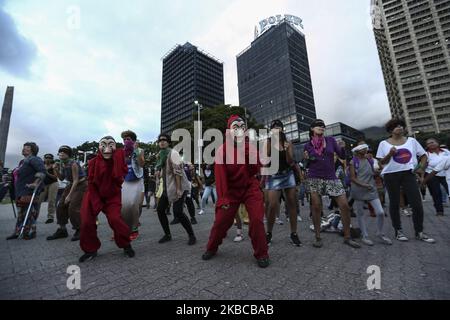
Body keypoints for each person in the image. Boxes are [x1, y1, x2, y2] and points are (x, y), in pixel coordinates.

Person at [202, 115, 270, 268]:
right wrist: (223, 199)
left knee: (257, 220)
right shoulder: (222, 150)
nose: (239, 129)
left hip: (249, 187)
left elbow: (255, 170)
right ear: (229, 131)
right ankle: (211, 247)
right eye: (235, 127)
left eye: (242, 127)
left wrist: (247, 152)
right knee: (221, 222)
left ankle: (262, 253)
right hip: (230, 190)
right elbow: (220, 177)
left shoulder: (250, 146)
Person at [376, 118, 435, 243]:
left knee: (417, 204)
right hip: (391, 175)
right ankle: (398, 231)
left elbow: (424, 156)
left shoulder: (412, 141)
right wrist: (390, 154)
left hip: (409, 174)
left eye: (401, 125)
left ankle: (419, 232)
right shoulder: (383, 144)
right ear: (391, 129)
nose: (400, 127)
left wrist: (420, 168)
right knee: (394, 203)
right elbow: (381, 162)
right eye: (397, 126)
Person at [304, 119, 361, 249]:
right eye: (318, 125)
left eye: (323, 125)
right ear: (312, 129)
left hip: (331, 177)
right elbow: (306, 163)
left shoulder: (330, 141)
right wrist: (306, 158)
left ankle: (347, 237)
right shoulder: (308, 145)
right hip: (314, 177)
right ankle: (318, 237)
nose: (321, 127)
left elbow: (342, 155)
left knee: (345, 205)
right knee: (317, 206)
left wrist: (343, 147)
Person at [79, 136, 135, 262]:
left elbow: (128, 151)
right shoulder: (93, 162)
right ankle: (90, 249)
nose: (107, 148)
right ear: (99, 148)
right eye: (103, 145)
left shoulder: (119, 158)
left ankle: (126, 244)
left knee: (115, 219)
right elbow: (91, 182)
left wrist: (129, 145)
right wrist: (96, 202)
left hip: (112, 194)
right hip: (94, 192)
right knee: (86, 220)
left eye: (111, 145)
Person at [264, 119, 302, 246]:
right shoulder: (268, 142)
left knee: (292, 202)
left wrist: (286, 150)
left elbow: (291, 161)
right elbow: (265, 159)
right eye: (274, 127)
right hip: (274, 175)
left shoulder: (288, 143)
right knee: (272, 204)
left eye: (279, 127)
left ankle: (294, 233)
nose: (277, 129)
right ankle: (268, 233)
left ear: (282, 129)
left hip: (287, 174)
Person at [155, 133, 196, 245]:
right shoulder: (161, 155)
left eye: (164, 140)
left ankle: (191, 235)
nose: (162, 142)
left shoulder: (173, 154)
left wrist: (178, 189)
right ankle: (167, 234)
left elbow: (178, 173)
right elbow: (161, 169)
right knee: (160, 210)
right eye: (160, 140)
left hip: (179, 186)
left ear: (168, 142)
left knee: (178, 212)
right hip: (167, 187)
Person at [349, 142, 392, 246]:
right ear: (357, 151)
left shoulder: (369, 159)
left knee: (380, 212)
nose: (366, 149)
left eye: (366, 147)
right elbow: (353, 178)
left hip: (371, 189)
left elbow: (371, 172)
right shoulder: (353, 162)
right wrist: (363, 185)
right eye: (363, 148)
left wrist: (378, 172)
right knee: (360, 214)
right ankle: (365, 235)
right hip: (358, 190)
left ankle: (380, 233)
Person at [47, 146, 87, 242]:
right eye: (60, 152)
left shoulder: (73, 164)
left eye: (64, 152)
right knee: (60, 205)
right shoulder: (61, 164)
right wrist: (55, 170)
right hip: (71, 184)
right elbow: (61, 178)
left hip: (81, 184)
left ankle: (79, 229)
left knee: (73, 207)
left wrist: (69, 196)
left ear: (68, 154)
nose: (61, 153)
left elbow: (76, 180)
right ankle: (62, 230)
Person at [6, 142, 46, 240]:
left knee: (29, 211)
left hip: (29, 189)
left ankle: (29, 231)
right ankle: (18, 231)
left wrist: (36, 183)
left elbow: (42, 171)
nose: (24, 149)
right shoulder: (22, 162)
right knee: (21, 212)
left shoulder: (34, 159)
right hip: (19, 190)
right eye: (24, 147)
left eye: (27, 147)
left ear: (33, 150)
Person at [121, 130, 145, 241]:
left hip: (137, 181)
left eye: (128, 139)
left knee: (134, 205)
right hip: (126, 181)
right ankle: (123, 229)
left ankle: (134, 229)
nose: (126, 141)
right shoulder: (121, 152)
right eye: (124, 139)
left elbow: (142, 164)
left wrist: (136, 151)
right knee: (124, 207)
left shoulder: (139, 150)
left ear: (134, 141)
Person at [422, 138, 450, 216]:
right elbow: (422, 166)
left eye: (432, 142)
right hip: (432, 175)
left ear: (437, 143)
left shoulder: (446, 151)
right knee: (436, 193)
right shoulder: (426, 154)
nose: (431, 144)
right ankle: (439, 211)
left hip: (446, 174)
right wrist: (422, 178)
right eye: (428, 143)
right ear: (427, 146)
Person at [37, 154, 59, 224]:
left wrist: (46, 173)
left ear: (52, 159)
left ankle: (50, 217)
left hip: (53, 183)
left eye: (50, 158)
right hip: (43, 184)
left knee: (51, 200)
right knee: (38, 200)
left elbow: (55, 177)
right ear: (44, 158)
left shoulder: (53, 166)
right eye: (46, 158)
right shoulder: (41, 165)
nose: (48, 159)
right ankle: (34, 216)